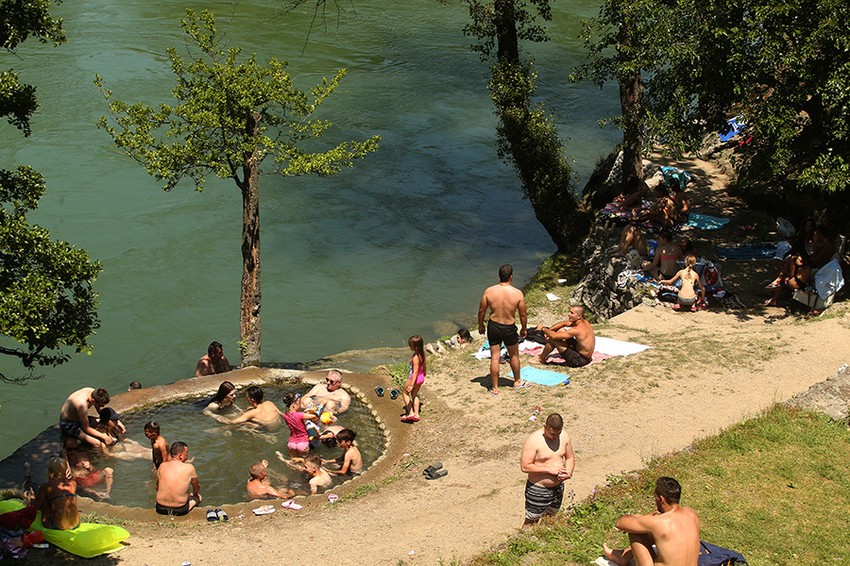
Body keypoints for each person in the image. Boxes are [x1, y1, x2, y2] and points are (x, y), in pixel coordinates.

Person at [602, 477, 701, 566]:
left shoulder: (659, 522)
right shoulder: (692, 514)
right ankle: (624, 555)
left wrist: (641, 517)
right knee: (657, 532)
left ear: (661, 499)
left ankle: (623, 558)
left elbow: (620, 523)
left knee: (635, 530)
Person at [478, 264, 529, 395]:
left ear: (499, 276)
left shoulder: (489, 291)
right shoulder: (517, 293)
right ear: (511, 277)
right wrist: (524, 328)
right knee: (513, 355)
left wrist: (481, 325)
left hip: (494, 326)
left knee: (495, 357)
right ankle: (517, 381)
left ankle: (495, 388)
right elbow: (523, 314)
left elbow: (482, 310)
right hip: (509, 327)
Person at [520, 413, 575, 528]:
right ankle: (524, 543)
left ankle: (544, 542)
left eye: (558, 433)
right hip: (538, 489)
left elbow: (569, 457)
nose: (555, 437)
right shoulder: (533, 440)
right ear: (545, 426)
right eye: (552, 433)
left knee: (551, 518)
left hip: (558, 488)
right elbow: (525, 466)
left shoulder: (564, 436)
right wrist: (548, 469)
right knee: (531, 520)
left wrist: (568, 472)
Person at [155, 441, 201, 516]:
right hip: (180, 509)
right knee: (198, 497)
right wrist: (195, 494)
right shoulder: (189, 468)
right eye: (186, 453)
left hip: (160, 508)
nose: (187, 456)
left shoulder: (162, 466)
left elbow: (157, 487)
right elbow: (197, 486)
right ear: (180, 455)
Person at [34, 455, 79, 530]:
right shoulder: (73, 483)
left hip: (58, 526)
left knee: (44, 501)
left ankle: (50, 522)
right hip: (75, 524)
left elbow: (36, 507)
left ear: (50, 471)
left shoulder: (47, 486)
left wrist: (31, 499)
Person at [281, 392, 319, 457]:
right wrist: (311, 410)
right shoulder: (300, 414)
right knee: (305, 462)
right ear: (294, 405)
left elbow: (295, 419)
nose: (300, 406)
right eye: (299, 404)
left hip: (291, 443)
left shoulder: (285, 415)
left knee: (293, 461)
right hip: (303, 443)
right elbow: (315, 416)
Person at [401, 335, 426, 423]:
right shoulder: (422, 354)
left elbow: (414, 372)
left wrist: (411, 384)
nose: (409, 346)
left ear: (415, 347)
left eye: (410, 345)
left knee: (404, 393)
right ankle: (416, 414)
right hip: (421, 377)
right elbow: (424, 365)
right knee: (414, 395)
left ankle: (410, 413)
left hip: (413, 379)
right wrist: (424, 373)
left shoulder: (415, 357)